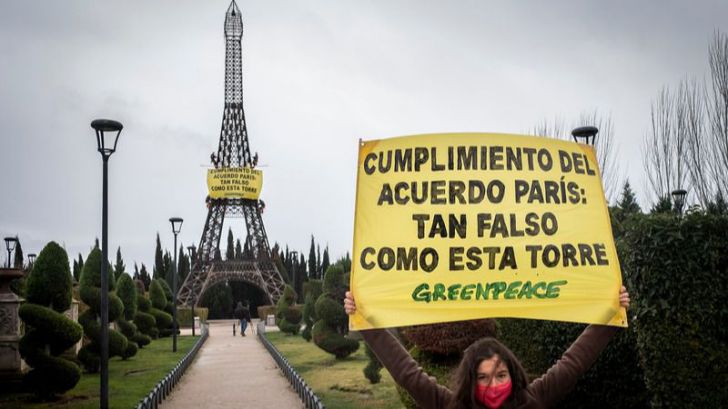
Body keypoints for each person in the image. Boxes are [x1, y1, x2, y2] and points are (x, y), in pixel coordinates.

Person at [344, 286, 630, 409]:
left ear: (513, 375)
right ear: (470, 380)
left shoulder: (532, 400)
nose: (493, 385)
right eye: (483, 377)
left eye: (500, 375)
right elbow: (407, 373)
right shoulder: (451, 405)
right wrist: (366, 322)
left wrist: (610, 317)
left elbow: (573, 363)